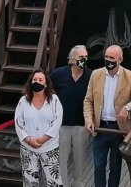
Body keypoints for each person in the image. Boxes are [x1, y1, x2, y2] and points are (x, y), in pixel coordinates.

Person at [83, 45, 131, 187]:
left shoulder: (129, 76)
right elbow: (88, 100)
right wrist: (88, 120)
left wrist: (127, 107)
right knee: (98, 166)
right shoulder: (96, 74)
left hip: (119, 129)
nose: (108, 60)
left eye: (111, 58)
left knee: (115, 167)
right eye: (106, 57)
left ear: (120, 59)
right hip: (100, 129)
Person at [50, 45, 92, 187]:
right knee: (62, 157)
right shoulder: (58, 74)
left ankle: (77, 182)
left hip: (81, 124)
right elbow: (48, 91)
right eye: (81, 57)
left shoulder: (91, 76)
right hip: (62, 125)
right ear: (72, 59)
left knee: (79, 158)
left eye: (86, 57)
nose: (84, 60)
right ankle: (63, 184)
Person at [14, 69, 64, 187]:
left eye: (40, 80)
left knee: (54, 182)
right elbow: (18, 122)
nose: (37, 82)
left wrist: (43, 139)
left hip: (50, 147)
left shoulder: (54, 100)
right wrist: (29, 140)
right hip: (28, 148)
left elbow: (57, 121)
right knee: (30, 182)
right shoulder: (23, 101)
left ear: (46, 84)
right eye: (35, 79)